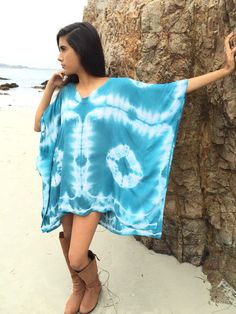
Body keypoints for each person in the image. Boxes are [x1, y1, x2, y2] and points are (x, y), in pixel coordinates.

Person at [34, 21, 236, 314]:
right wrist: (51, 88)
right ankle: (77, 286)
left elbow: (168, 94)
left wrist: (226, 71)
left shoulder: (118, 89)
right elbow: (40, 124)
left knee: (78, 257)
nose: (59, 56)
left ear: (82, 49)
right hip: (65, 184)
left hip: (94, 190)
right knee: (65, 241)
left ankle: (92, 285)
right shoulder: (66, 94)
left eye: (63, 49)